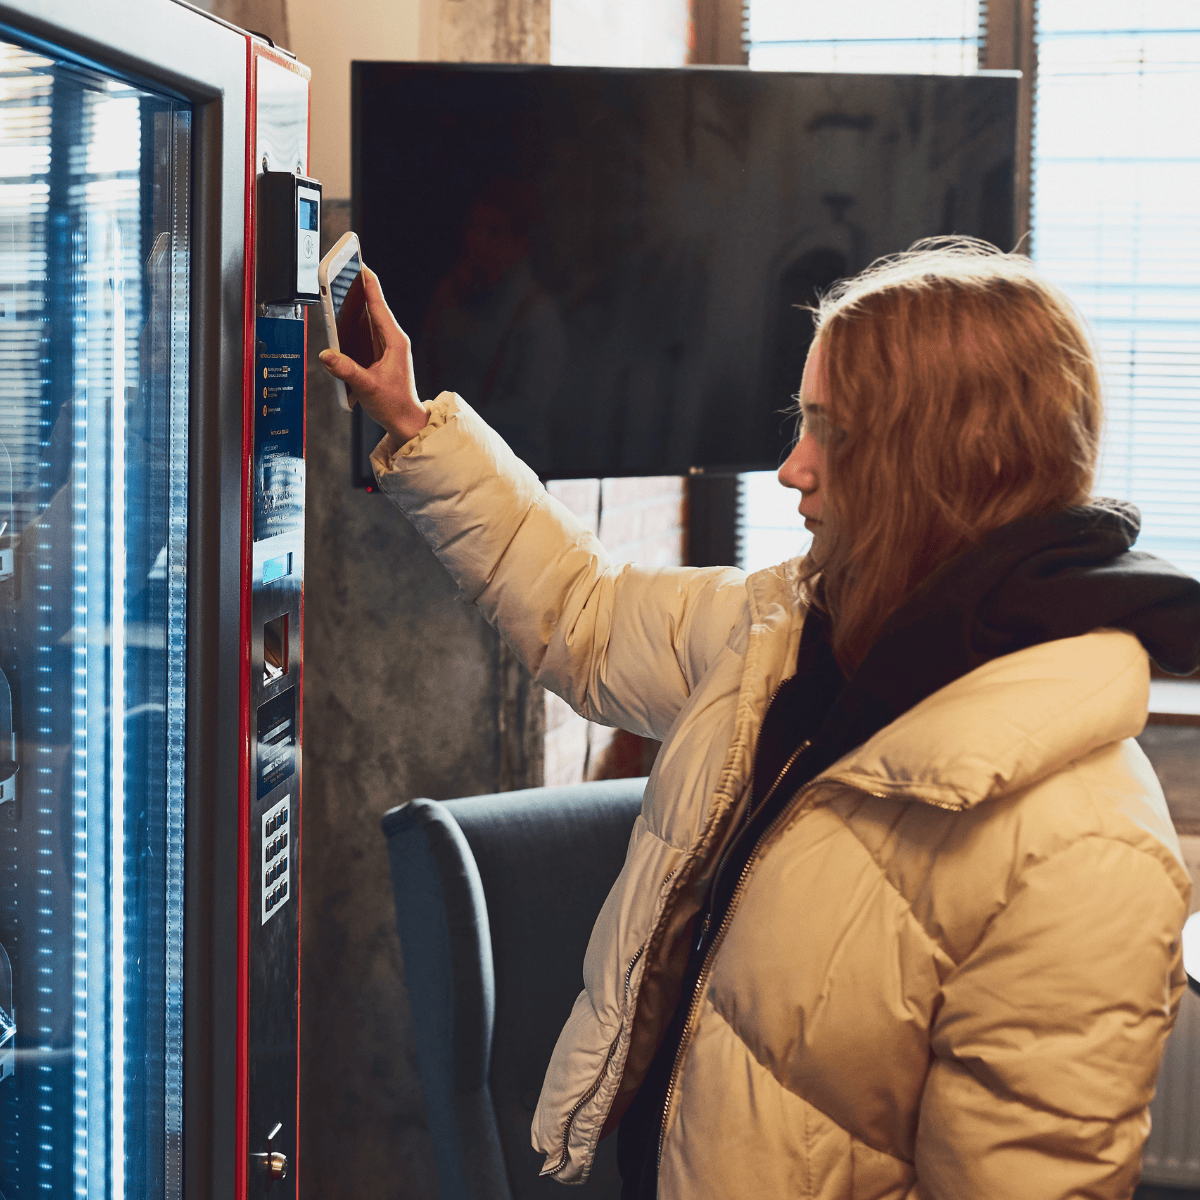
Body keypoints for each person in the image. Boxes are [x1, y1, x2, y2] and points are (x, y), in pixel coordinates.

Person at [320, 238, 1200, 1200]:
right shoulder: (793, 626)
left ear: (965, 460)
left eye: (835, 433)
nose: (792, 468)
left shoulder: (1086, 847)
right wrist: (414, 421)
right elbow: (587, 611)